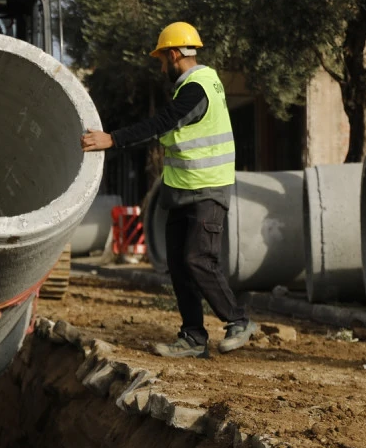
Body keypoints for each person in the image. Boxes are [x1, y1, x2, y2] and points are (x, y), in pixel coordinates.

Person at [81, 22, 258, 358]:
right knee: (178, 264)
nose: (162, 66)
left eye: (162, 59)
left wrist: (112, 139)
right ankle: (193, 337)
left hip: (207, 190)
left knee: (198, 259)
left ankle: (239, 320)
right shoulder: (191, 87)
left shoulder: (197, 88)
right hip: (182, 190)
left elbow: (162, 124)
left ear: (175, 54)